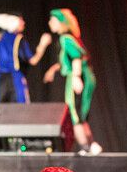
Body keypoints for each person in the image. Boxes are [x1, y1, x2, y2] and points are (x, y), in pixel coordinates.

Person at [43, 9, 102, 155]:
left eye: (53, 20)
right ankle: (91, 145)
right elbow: (68, 60)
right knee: (80, 114)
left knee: (74, 114)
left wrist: (75, 77)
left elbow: (76, 57)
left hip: (78, 75)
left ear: (61, 22)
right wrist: (54, 69)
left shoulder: (65, 39)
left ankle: (85, 147)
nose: (50, 23)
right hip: (83, 74)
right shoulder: (69, 38)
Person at [0, 13, 51, 106]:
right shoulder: (18, 40)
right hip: (15, 79)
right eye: (21, 20)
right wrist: (43, 44)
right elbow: (33, 60)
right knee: (20, 111)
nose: (23, 23)